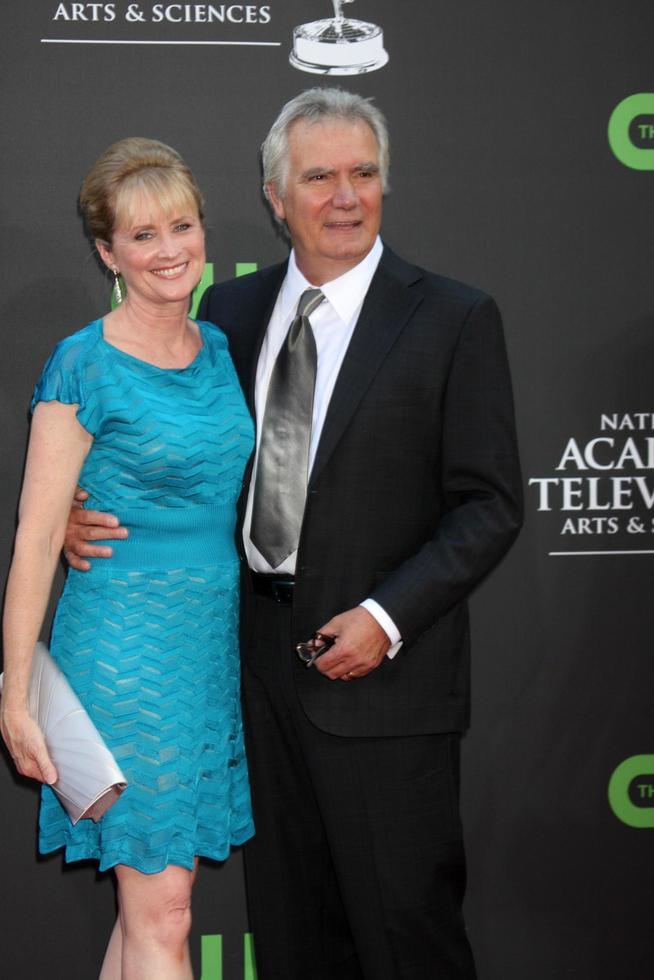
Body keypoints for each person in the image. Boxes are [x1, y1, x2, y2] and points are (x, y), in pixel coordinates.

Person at [66, 89, 523, 979]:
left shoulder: (454, 318)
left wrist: (387, 617)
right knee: (290, 936)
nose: (345, 195)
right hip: (248, 673)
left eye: (364, 173)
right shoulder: (224, 318)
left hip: (387, 682)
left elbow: (490, 503)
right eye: (319, 176)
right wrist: (82, 513)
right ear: (278, 197)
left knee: (406, 936)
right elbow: (172, 450)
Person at [0, 137, 254, 980]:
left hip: (206, 655)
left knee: (147, 918)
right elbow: (36, 539)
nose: (169, 249)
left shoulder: (222, 353)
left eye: (181, 225)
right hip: (122, 656)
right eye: (142, 235)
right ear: (108, 252)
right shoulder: (83, 362)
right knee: (167, 915)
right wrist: (14, 692)